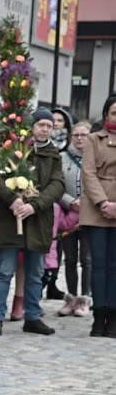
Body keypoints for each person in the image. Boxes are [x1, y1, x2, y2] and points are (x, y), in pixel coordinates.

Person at [0, 108, 66, 336]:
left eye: (49, 126)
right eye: (41, 125)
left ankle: (32, 316)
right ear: (32, 126)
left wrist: (35, 204)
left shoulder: (53, 155)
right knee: (4, 271)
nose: (45, 129)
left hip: (38, 221)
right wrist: (11, 199)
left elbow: (58, 185)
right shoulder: (14, 149)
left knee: (34, 273)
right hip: (12, 221)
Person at [80, 97, 116, 337]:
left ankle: (113, 316)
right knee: (98, 265)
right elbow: (88, 173)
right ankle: (98, 314)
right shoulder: (93, 139)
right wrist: (104, 202)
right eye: (114, 112)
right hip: (97, 209)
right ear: (106, 115)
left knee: (115, 267)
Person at [58, 121, 93, 318]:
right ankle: (71, 299)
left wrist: (87, 202)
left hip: (90, 215)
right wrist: (70, 202)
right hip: (68, 214)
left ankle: (84, 299)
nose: (79, 138)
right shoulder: (62, 158)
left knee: (87, 259)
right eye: (76, 135)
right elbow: (57, 186)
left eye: (83, 135)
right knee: (69, 258)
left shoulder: (96, 158)